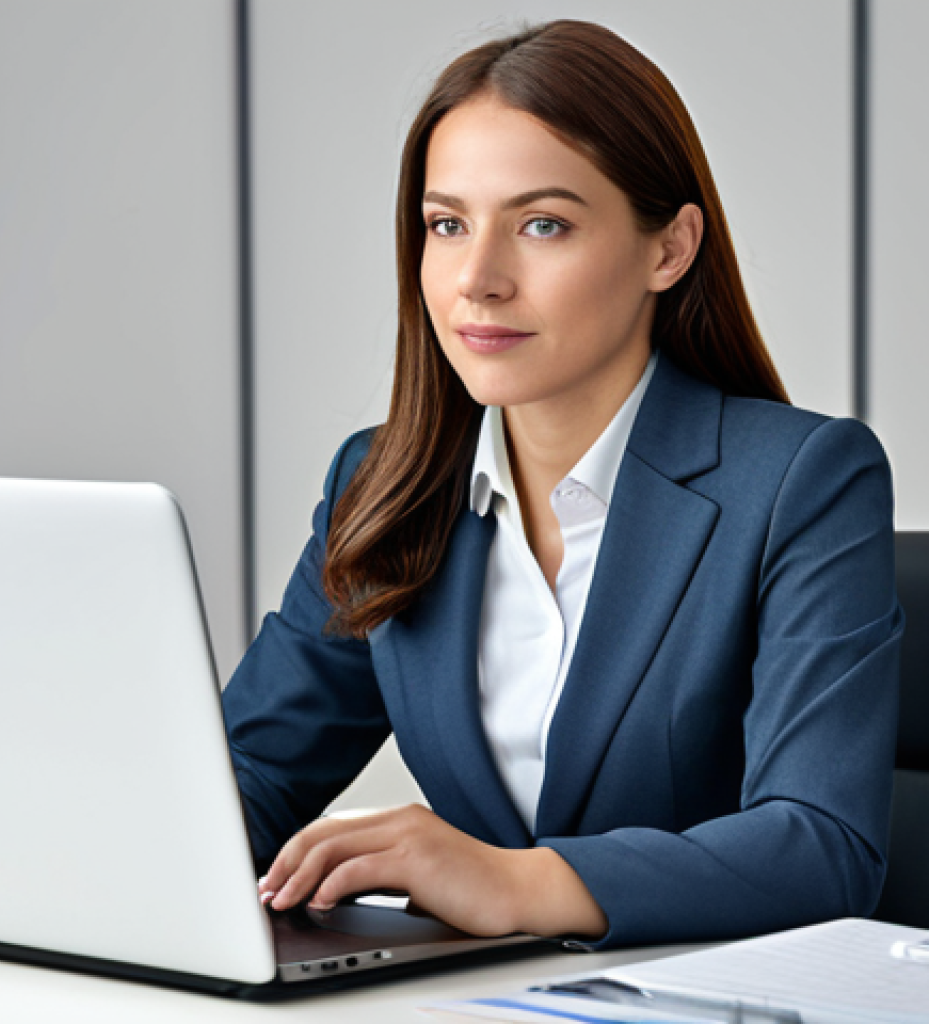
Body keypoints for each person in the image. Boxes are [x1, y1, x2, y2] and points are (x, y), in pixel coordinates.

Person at [221, 20, 903, 947]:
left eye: (543, 224)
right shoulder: (385, 481)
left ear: (669, 249)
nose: (478, 279)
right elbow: (250, 773)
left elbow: (822, 845)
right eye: (447, 224)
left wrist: (516, 884)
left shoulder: (802, 482)